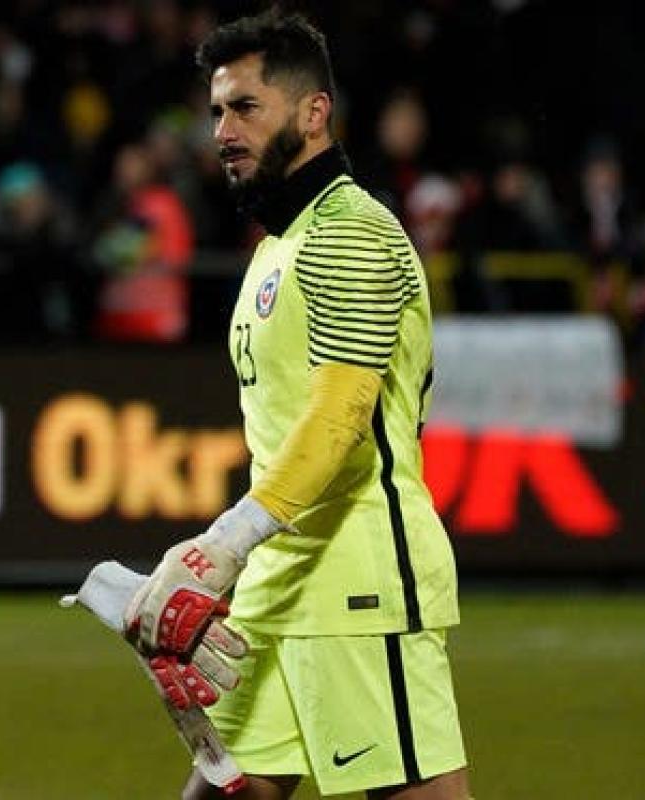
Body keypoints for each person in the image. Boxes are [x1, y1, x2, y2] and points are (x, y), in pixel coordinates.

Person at [124, 10, 470, 800]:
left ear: (314, 113)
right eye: (217, 111)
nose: (223, 131)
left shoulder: (351, 232)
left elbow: (339, 418)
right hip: (278, 585)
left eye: (246, 107)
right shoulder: (281, 244)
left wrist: (220, 545)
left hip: (357, 584)